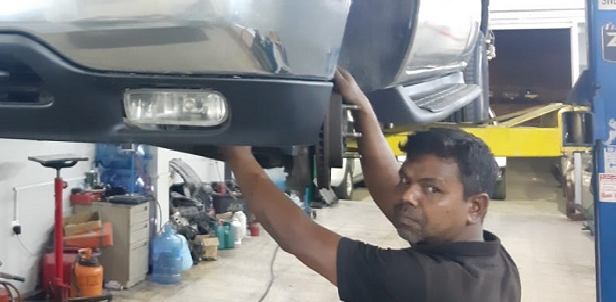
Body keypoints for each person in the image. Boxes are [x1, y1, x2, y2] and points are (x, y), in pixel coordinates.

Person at [222, 68, 521, 302]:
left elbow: (301, 238)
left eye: (433, 189)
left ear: (475, 207)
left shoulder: (427, 282)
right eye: (407, 180)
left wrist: (239, 157)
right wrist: (362, 109)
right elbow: (391, 189)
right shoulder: (495, 262)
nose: (408, 195)